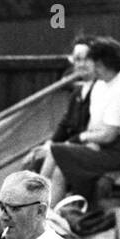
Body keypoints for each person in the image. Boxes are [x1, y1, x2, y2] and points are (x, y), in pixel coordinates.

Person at [42, 36, 120, 205]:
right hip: (103, 148)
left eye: (94, 62)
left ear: (104, 64)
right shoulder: (100, 84)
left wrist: (80, 139)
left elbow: (109, 135)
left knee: (54, 151)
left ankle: (33, 201)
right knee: (60, 170)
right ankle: (48, 214)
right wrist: (87, 144)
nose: (92, 66)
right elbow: (94, 126)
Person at [26, 39, 95, 171]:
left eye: (87, 59)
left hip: (89, 148)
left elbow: (89, 130)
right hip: (73, 146)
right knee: (34, 158)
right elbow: (65, 123)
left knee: (52, 164)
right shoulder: (78, 92)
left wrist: (56, 148)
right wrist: (49, 143)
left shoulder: (100, 90)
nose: (81, 64)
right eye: (77, 60)